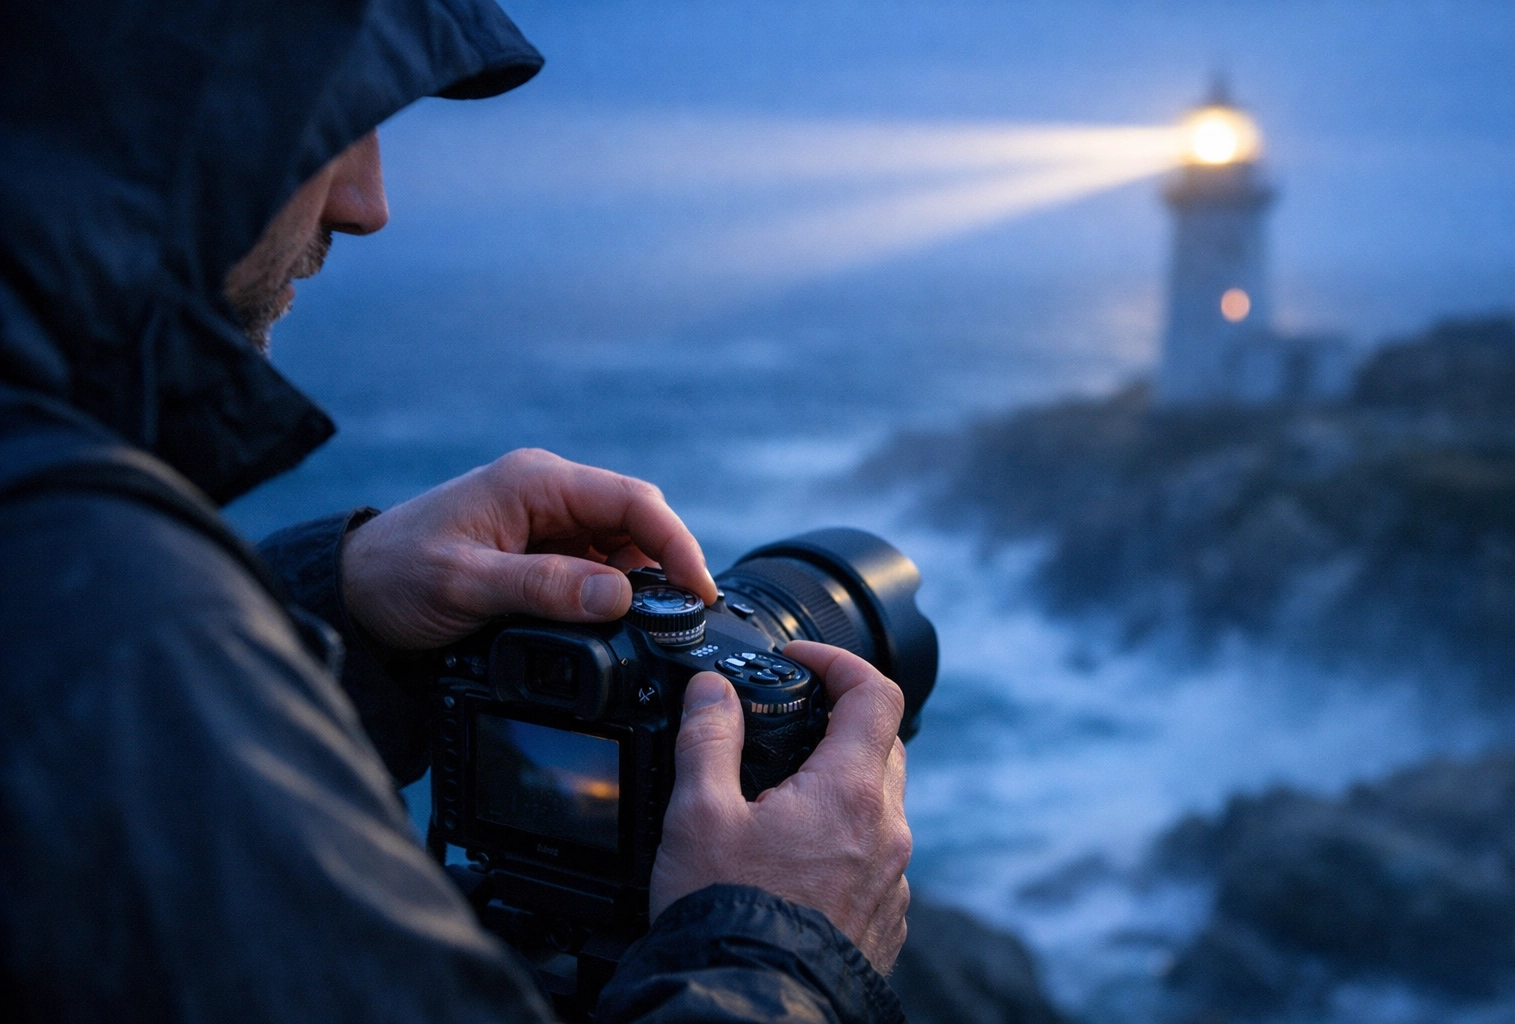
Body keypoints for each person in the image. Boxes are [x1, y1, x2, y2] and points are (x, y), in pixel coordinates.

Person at [0, 2, 911, 1022]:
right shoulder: (117, 639)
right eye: (323, 114)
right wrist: (781, 950)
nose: (366, 200)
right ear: (143, 108)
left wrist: (336, 613)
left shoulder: (60, 564)